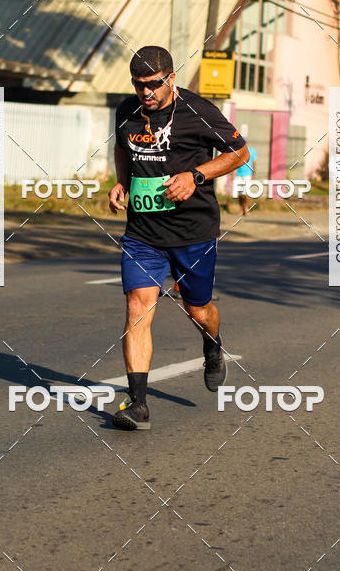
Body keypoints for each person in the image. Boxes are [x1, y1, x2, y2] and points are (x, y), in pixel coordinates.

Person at [108, 45, 249, 430]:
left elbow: (240, 153)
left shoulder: (197, 111)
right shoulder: (126, 111)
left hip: (193, 232)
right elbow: (123, 148)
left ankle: (212, 345)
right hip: (143, 234)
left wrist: (197, 176)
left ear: (171, 78)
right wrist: (121, 181)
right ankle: (137, 405)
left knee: (198, 310)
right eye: (139, 86)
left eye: (152, 85)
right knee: (138, 307)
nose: (145, 93)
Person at [235, 138, 257, 215]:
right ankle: (241, 209)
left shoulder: (252, 151)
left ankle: (246, 208)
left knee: (246, 193)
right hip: (238, 174)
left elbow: (254, 163)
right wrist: (233, 174)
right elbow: (235, 163)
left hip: (248, 174)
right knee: (239, 194)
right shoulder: (238, 151)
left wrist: (253, 174)